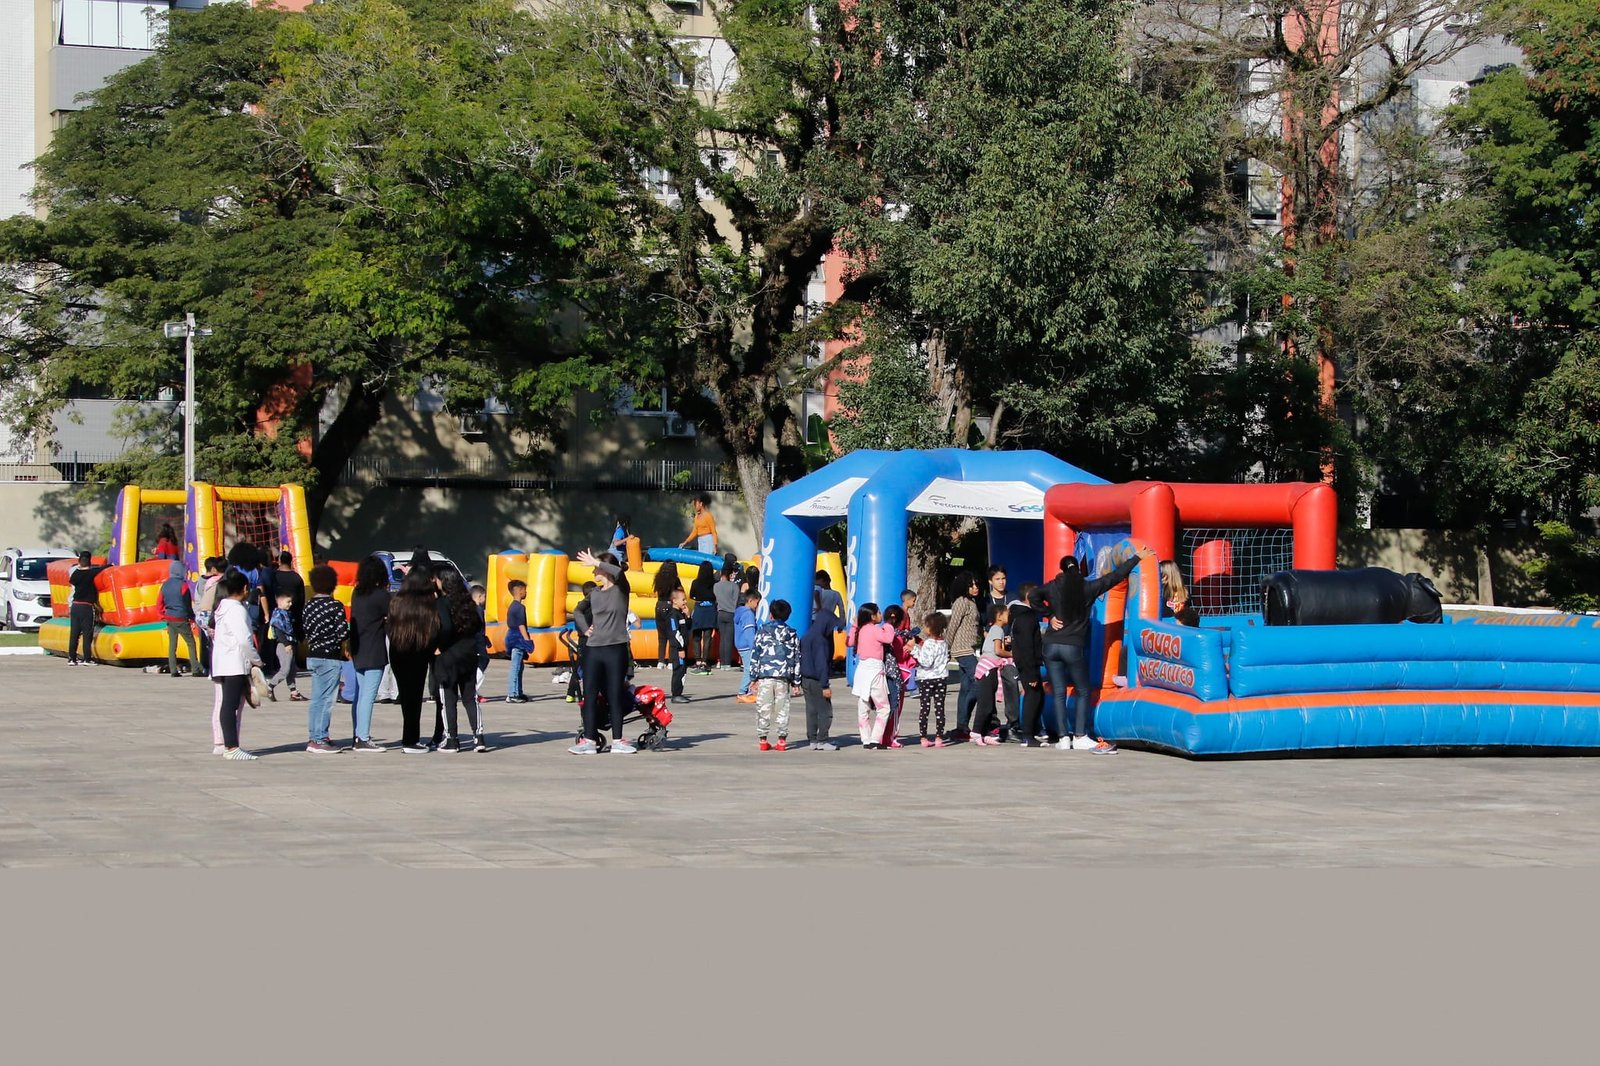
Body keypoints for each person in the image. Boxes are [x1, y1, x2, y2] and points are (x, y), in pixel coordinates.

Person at [1041, 547, 1150, 753]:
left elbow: (1033, 596)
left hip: (1051, 645)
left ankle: (1064, 738)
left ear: (1062, 570)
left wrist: (1049, 615)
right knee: (1083, 690)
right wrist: (1136, 557)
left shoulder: (1052, 587)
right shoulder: (1087, 588)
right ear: (1079, 569)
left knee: (1058, 692)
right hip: (1072, 646)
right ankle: (1080, 735)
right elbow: (1115, 577)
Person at [569, 549, 636, 755]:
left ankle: (618, 740)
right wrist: (584, 628)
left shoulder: (621, 590)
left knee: (614, 694)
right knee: (589, 695)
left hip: (616, 649)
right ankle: (589, 740)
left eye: (596, 569)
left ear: (605, 569)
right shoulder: (594, 594)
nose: (593, 573)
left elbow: (619, 573)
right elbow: (578, 611)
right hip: (593, 650)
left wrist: (596, 561)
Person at [432, 569, 487, 752]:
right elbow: (478, 624)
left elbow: (445, 626)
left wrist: (441, 645)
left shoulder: (442, 602)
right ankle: (478, 737)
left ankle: (452, 739)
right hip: (468, 654)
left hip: (449, 657)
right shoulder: (468, 602)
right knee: (470, 697)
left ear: (443, 583)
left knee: (448, 698)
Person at [387, 568, 441, 753]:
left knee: (406, 696)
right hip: (419, 653)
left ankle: (409, 737)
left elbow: (389, 628)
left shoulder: (396, 602)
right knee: (415, 697)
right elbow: (433, 632)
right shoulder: (428, 605)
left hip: (398, 652)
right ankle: (411, 740)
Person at [211, 572, 262, 760]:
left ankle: (228, 745)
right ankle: (231, 747)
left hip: (223, 662)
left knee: (227, 704)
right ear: (244, 589)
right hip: (234, 663)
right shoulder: (237, 610)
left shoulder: (222, 607)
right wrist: (257, 659)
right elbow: (244, 639)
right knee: (230, 705)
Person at [301, 564, 348, 753]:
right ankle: (320, 738)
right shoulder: (335, 606)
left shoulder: (308, 606)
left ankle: (314, 735)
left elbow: (305, 630)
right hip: (330, 657)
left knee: (317, 698)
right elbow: (343, 632)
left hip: (313, 655)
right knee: (327, 700)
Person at [346, 555, 391, 752]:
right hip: (374, 651)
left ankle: (358, 734)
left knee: (360, 695)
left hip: (358, 649)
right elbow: (392, 616)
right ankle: (363, 738)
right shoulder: (382, 596)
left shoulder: (357, 593)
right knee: (368, 697)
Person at [748, 598, 802, 752]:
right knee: (782, 708)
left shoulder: (762, 631)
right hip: (783, 678)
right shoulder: (792, 635)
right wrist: (796, 681)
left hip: (765, 676)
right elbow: (796, 658)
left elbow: (755, 655)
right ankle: (782, 741)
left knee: (763, 708)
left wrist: (753, 678)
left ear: (770, 614)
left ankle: (763, 740)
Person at [850, 603, 898, 749]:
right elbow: (889, 638)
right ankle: (875, 739)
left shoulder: (860, 630)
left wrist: (854, 626)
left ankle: (865, 739)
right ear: (872, 616)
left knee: (863, 705)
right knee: (883, 707)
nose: (880, 615)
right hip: (875, 670)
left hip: (862, 669)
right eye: (878, 612)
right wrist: (889, 625)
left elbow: (850, 641)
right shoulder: (875, 630)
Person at [944, 571, 981, 740]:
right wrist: (945, 647)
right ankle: (965, 723)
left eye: (976, 584)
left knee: (966, 688)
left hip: (970, 648)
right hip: (962, 649)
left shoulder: (972, 603)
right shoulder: (961, 602)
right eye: (971, 585)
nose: (975, 588)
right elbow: (953, 625)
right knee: (978, 683)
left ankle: (961, 727)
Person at [1010, 586, 1048, 748]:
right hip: (1028, 665)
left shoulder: (1022, 615)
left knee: (1038, 696)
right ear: (1028, 596)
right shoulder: (1026, 617)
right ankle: (1027, 735)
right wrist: (1031, 672)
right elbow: (1026, 646)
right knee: (1032, 697)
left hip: (1028, 663)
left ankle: (1031, 731)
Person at [970, 603, 1012, 745]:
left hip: (993, 668)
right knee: (985, 703)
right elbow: (998, 651)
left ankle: (985, 732)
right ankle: (976, 732)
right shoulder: (997, 629)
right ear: (999, 616)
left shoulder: (998, 630)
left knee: (990, 703)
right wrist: (1013, 654)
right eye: (1007, 613)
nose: (1009, 616)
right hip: (988, 668)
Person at [799, 611, 837, 750]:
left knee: (811, 710)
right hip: (817, 680)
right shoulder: (820, 641)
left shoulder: (806, 636)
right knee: (825, 711)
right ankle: (823, 740)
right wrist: (825, 685)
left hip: (805, 679)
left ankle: (813, 739)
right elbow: (821, 664)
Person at [912, 612, 950, 747]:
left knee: (925, 708)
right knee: (940, 708)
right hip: (941, 678)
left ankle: (923, 737)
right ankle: (939, 736)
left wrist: (914, 650)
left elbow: (925, 662)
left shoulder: (929, 643)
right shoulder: (944, 643)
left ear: (931, 628)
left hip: (927, 678)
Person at [160, 560, 201, 679]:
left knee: (172, 645)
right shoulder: (183, 585)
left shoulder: (165, 584)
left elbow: (159, 602)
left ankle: (173, 670)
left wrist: (163, 615)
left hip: (169, 617)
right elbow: (187, 604)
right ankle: (195, 669)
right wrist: (192, 618)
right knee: (190, 642)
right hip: (181, 617)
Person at [66, 551, 107, 666]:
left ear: (79, 562)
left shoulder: (75, 574)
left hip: (75, 606)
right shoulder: (92, 573)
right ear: (90, 561)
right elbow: (103, 568)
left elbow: (72, 581)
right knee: (87, 633)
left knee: (74, 633)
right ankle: (87, 659)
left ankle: (71, 658)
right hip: (86, 606)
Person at [263, 591, 304, 702]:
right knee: (285, 669)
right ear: (279, 602)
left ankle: (293, 692)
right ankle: (270, 686)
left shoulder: (287, 614)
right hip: (284, 645)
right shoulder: (278, 615)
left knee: (291, 670)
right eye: (288, 601)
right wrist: (286, 644)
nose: (290, 604)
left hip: (291, 644)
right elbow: (278, 631)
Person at [194, 557, 225, 675]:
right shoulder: (215, 581)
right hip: (208, 613)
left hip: (200, 613)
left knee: (206, 643)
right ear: (213, 569)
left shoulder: (201, 581)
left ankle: (206, 666)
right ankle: (212, 667)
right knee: (213, 643)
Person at [504, 578, 531, 704]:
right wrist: (527, 641)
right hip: (518, 639)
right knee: (515, 667)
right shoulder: (519, 607)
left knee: (519, 667)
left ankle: (518, 691)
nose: (526, 592)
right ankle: (512, 693)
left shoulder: (512, 606)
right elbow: (521, 625)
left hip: (512, 638)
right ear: (520, 591)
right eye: (525, 590)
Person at [662, 587, 691, 703]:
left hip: (683, 647)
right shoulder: (672, 616)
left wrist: (688, 616)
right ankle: (676, 694)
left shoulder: (680, 614)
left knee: (683, 670)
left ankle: (679, 692)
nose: (685, 602)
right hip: (677, 649)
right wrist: (680, 648)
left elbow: (687, 628)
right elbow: (675, 633)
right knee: (678, 670)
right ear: (674, 600)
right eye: (683, 600)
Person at [688, 561, 717, 673]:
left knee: (696, 636)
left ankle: (698, 661)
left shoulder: (695, 582)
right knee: (707, 637)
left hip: (699, 608)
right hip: (710, 609)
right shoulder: (714, 583)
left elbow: (692, 595)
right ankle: (705, 661)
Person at [652, 561, 681, 667]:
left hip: (659, 605)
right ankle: (671, 661)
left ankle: (660, 661)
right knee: (672, 634)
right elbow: (680, 592)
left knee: (661, 636)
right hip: (670, 606)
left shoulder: (658, 578)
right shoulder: (675, 580)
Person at [733, 591, 760, 702]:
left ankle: (748, 691)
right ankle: (742, 692)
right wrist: (754, 647)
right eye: (757, 603)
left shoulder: (740, 612)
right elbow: (749, 632)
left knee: (749, 669)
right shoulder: (748, 614)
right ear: (750, 601)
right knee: (750, 670)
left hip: (741, 644)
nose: (757, 606)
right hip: (747, 646)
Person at [713, 563, 740, 670]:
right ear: (730, 574)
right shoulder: (734, 586)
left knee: (722, 639)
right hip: (731, 613)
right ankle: (727, 663)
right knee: (728, 639)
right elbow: (736, 601)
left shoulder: (716, 586)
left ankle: (722, 661)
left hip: (720, 613)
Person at [1160, 560, 1201, 626]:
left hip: (1169, 623)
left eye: (1160, 574)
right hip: (1180, 622)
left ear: (1166, 576)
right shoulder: (1185, 590)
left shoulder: (1162, 590)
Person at [471, 584, 491, 702]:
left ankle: (473, 692)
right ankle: (472, 692)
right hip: (477, 643)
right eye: (484, 597)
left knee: (479, 665)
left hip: (477, 641)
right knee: (482, 663)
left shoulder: (469, 609)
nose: (485, 600)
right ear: (479, 597)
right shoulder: (478, 610)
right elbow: (478, 628)